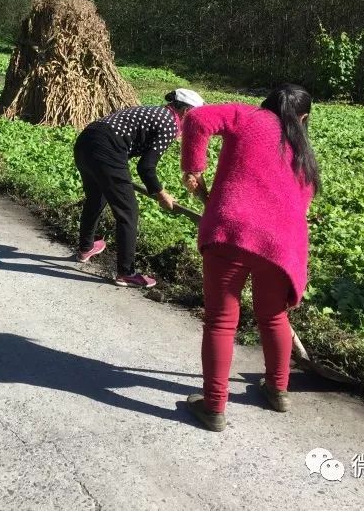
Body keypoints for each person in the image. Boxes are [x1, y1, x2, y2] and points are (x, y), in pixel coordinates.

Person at [180, 84, 320, 432]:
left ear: (269, 103)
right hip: (280, 246)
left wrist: (194, 170)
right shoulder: (303, 155)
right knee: (273, 317)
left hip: (231, 233)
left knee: (221, 321)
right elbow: (300, 207)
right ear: (302, 118)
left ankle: (214, 407)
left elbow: (196, 118)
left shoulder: (247, 115)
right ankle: (278, 390)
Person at [74, 89, 205, 288]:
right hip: (108, 148)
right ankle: (126, 273)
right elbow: (146, 167)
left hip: (87, 140)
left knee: (97, 196)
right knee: (128, 211)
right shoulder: (170, 124)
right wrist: (161, 194)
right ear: (187, 112)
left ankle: (86, 247)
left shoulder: (157, 112)